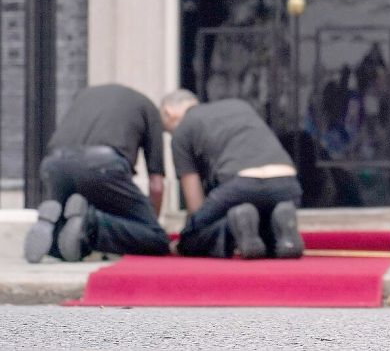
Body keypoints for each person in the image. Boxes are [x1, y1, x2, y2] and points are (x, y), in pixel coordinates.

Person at [23, 84, 171, 263]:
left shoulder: (83, 96)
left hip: (54, 164)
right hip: (103, 166)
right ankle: (90, 223)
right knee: (156, 239)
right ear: (168, 112)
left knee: (70, 231)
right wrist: (146, 226)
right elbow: (156, 186)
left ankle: (53, 228)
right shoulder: (150, 108)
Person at [159, 90, 304, 259]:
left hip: (240, 185)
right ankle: (281, 229)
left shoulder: (182, 130)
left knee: (191, 237)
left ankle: (232, 227)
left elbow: (195, 205)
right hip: (287, 186)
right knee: (260, 222)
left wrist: (189, 235)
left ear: (168, 112)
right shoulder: (239, 106)